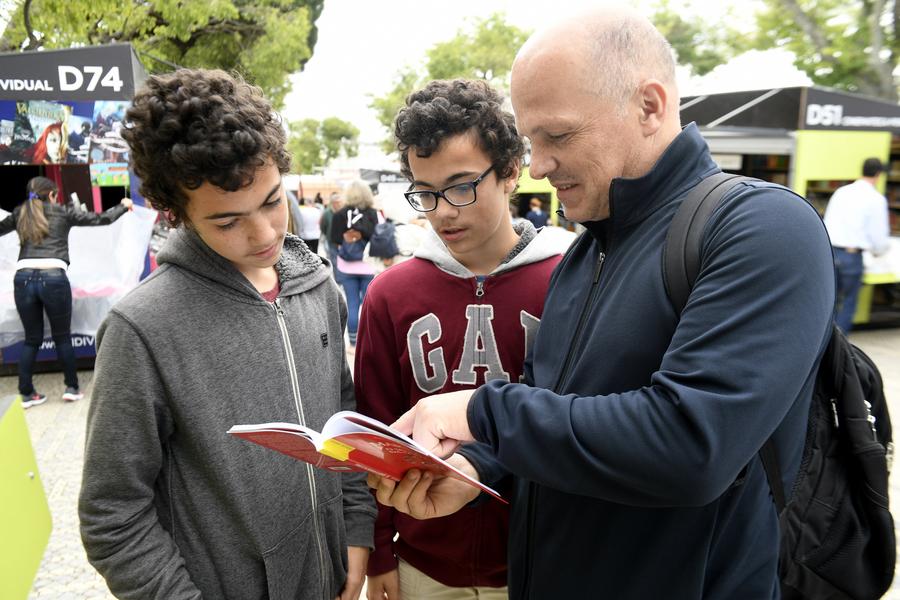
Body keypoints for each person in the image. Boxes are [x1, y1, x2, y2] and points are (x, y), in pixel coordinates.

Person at [368, 8, 835, 599]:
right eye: (532, 141)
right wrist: (479, 469)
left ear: (649, 106)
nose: (537, 166)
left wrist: (480, 412)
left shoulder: (762, 227)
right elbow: (554, 408)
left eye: (557, 136)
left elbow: (692, 445)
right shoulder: (587, 252)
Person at [78, 69, 375, 600]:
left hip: (333, 577)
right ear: (178, 214)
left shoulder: (318, 287)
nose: (263, 234)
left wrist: (356, 536)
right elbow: (112, 513)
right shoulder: (142, 328)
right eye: (227, 221)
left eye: (271, 201)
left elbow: (343, 424)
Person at [356, 79, 562, 600]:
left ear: (511, 171)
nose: (442, 210)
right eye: (425, 192)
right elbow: (375, 430)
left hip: (540, 562)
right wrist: (382, 549)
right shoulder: (389, 294)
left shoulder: (567, 281)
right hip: (422, 565)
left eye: (461, 185)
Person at [0, 177, 132, 407]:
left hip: (22, 278)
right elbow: (101, 219)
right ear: (51, 194)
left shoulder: (20, 212)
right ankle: (71, 388)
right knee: (62, 337)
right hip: (54, 277)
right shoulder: (62, 212)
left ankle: (26, 394)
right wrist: (123, 206)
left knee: (32, 339)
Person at [822, 157, 892, 332]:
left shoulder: (841, 192)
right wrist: (879, 251)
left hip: (829, 252)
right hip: (851, 256)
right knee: (848, 301)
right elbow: (878, 236)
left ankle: (820, 343)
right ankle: (837, 349)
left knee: (828, 301)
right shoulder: (876, 199)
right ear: (878, 174)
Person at [331, 180, 378, 348]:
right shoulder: (373, 214)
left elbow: (334, 241)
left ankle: (353, 343)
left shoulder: (339, 214)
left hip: (346, 266)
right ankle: (370, 341)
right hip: (368, 266)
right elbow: (379, 238)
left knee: (352, 303)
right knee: (369, 305)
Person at [322, 191, 344, 277]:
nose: (338, 204)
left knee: (343, 260)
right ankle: (338, 279)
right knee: (334, 260)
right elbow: (323, 226)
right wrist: (328, 234)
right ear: (332, 203)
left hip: (343, 241)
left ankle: (342, 276)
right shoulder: (327, 213)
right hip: (332, 240)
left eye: (339, 202)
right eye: (336, 203)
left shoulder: (344, 212)